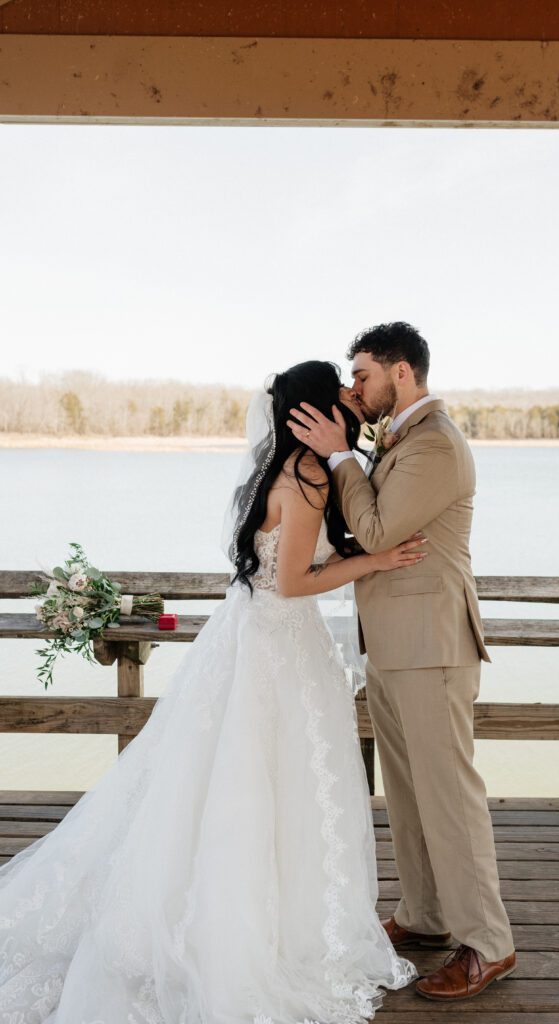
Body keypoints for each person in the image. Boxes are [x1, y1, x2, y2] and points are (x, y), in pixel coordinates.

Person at [0, 360, 424, 1024]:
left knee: (223, 779)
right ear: (312, 411)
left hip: (248, 634)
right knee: (270, 783)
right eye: (339, 390)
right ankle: (262, 935)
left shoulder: (272, 469)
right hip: (278, 644)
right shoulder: (307, 477)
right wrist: (373, 560)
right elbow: (290, 583)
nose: (349, 397)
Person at [287, 323, 517, 1001]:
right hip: (389, 642)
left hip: (431, 646)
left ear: (401, 373)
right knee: (410, 793)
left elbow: (380, 531)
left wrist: (337, 458)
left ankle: (487, 944)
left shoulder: (437, 444)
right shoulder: (400, 439)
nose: (353, 387)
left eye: (361, 374)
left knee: (449, 797)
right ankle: (424, 915)